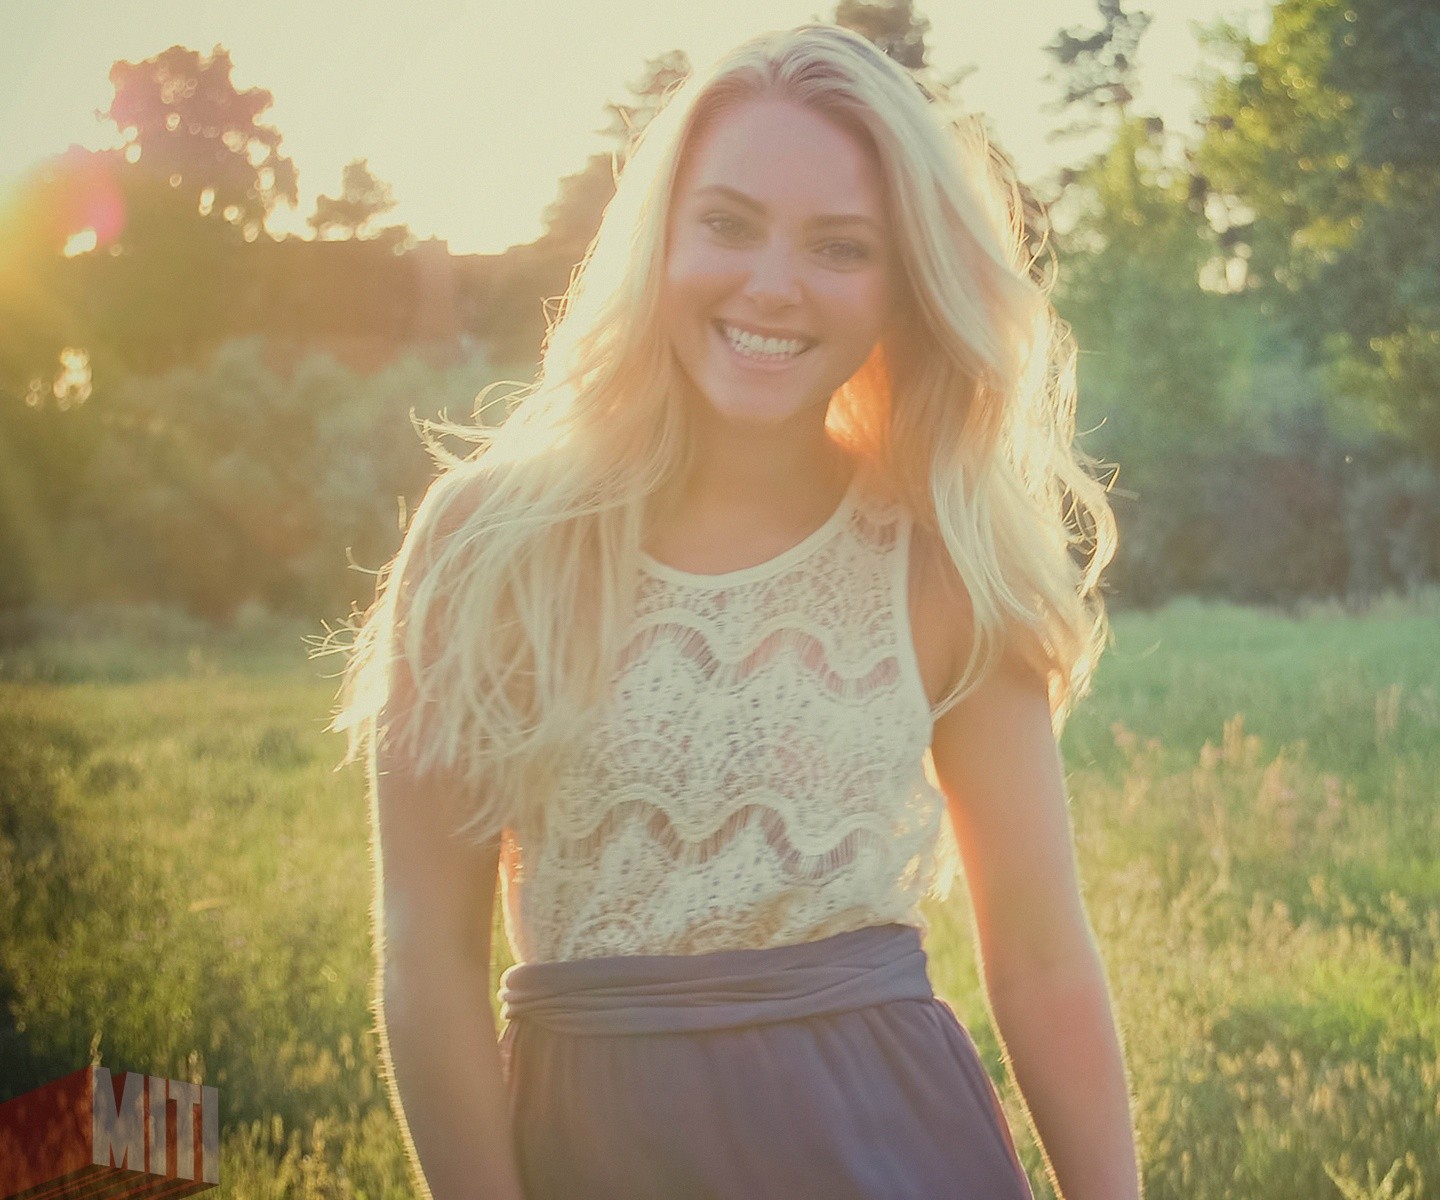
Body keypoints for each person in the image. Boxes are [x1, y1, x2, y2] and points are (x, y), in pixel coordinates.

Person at [323, 23, 1139, 1200]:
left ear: (903, 282)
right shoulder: (489, 546)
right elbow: (426, 959)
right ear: (659, 236)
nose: (772, 284)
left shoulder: (943, 560)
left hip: (894, 1147)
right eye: (728, 223)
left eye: (840, 246)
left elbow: (1043, 954)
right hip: (596, 1144)